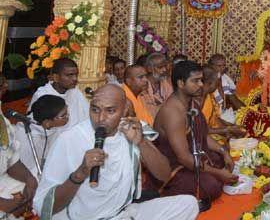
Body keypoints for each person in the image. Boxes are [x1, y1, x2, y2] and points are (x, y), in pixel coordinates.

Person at [32, 84, 197, 220]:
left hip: (124, 213)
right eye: (95, 109)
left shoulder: (131, 129)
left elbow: (164, 175)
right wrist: (80, 173)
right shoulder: (69, 140)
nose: (101, 118)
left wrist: (141, 143)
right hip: (84, 217)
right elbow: (43, 207)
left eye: (110, 111)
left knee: (189, 204)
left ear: (125, 109)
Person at [152, 61, 238, 203]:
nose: (201, 85)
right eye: (195, 81)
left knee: (220, 159)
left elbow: (203, 135)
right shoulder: (173, 112)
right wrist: (218, 173)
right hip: (173, 169)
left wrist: (224, 152)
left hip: (193, 158)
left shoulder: (191, 103)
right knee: (212, 186)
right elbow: (183, 158)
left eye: (201, 80)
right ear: (180, 83)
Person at [0, 74, 38, 219]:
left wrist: (29, 179)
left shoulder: (2, 120)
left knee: (34, 189)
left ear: (3, 89)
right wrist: (3, 203)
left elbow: (11, 159)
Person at [15, 96, 68, 180]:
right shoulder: (29, 137)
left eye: (67, 113)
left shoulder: (51, 127)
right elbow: (23, 168)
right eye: (64, 115)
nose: (68, 117)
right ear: (47, 123)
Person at [28, 58, 89, 132]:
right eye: (69, 75)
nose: (75, 79)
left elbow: (86, 116)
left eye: (76, 75)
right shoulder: (43, 95)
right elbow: (38, 128)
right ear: (56, 77)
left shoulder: (75, 91)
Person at [141, 53, 174, 118]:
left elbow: (172, 103)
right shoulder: (143, 85)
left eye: (165, 66)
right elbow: (147, 109)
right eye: (160, 67)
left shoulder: (166, 83)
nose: (164, 70)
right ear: (149, 69)